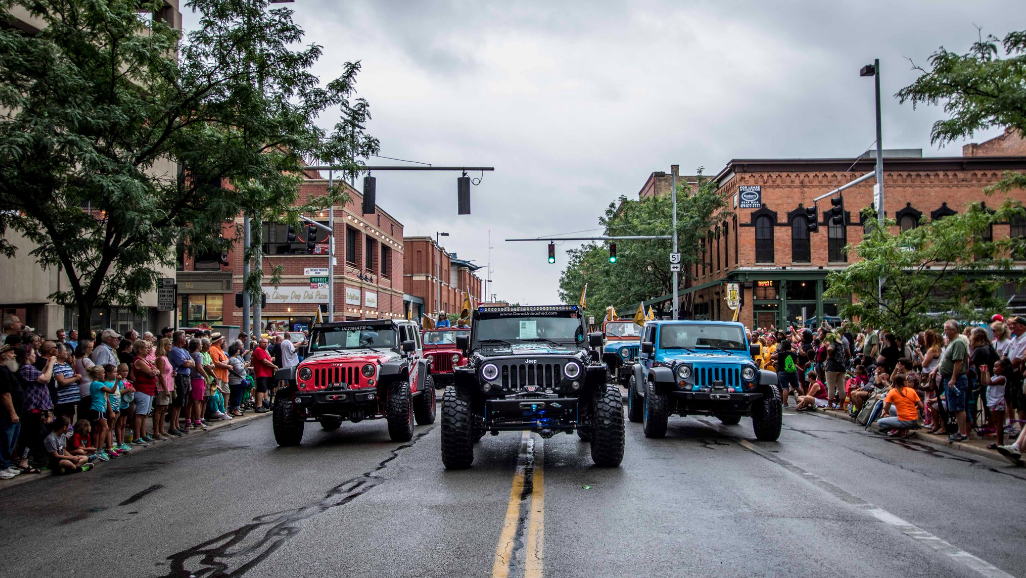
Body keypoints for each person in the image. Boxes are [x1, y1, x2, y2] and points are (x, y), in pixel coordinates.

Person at [16, 344, 54, 474]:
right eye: (33, 353)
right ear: (27, 356)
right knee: (30, 435)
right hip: (32, 408)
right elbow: (45, 378)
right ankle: (23, 461)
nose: (35, 355)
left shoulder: (30, 368)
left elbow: (41, 374)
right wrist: (52, 364)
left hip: (37, 407)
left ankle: (28, 459)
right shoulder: (26, 368)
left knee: (38, 434)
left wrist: (47, 364)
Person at [935, 319, 970, 442]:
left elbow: (958, 362)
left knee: (959, 406)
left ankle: (963, 433)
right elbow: (946, 360)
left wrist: (954, 378)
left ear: (954, 330)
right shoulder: (951, 342)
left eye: (946, 329)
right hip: (947, 377)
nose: (945, 332)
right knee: (953, 406)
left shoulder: (959, 343)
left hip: (956, 379)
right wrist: (935, 370)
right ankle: (959, 431)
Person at [0, 344, 23, 479]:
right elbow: (5, 394)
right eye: (11, 353)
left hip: (15, 413)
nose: (14, 355)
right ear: (3, 355)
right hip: (6, 414)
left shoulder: (7, 371)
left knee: (10, 442)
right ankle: (2, 466)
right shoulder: (1, 372)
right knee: (4, 441)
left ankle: (6, 465)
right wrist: (12, 412)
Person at [167, 331, 195, 436]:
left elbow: (192, 362)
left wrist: (189, 362)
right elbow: (184, 363)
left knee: (182, 402)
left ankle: (177, 424)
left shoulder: (184, 350)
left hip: (186, 377)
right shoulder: (175, 350)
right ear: (179, 339)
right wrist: (188, 362)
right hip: (179, 377)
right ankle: (172, 426)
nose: (186, 340)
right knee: (177, 402)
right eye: (184, 337)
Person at [87, 365, 117, 460]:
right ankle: (99, 450)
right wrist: (117, 381)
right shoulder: (98, 384)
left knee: (97, 429)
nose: (104, 374)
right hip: (99, 408)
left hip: (96, 408)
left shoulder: (93, 384)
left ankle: (95, 449)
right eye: (103, 373)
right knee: (105, 428)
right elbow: (112, 391)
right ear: (97, 374)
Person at [132, 339, 158, 445]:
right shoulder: (139, 361)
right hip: (143, 389)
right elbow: (151, 372)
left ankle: (143, 434)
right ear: (139, 349)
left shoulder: (145, 360)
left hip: (149, 389)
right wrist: (154, 371)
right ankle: (137, 436)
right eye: (146, 348)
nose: (148, 350)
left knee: (145, 414)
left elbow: (156, 370)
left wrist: (155, 371)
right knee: (140, 414)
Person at [981, 360, 1007, 448]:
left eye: (996, 367)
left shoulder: (1002, 378)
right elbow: (984, 382)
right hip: (992, 403)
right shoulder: (993, 377)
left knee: (999, 423)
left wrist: (987, 371)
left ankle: (1000, 443)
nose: (994, 368)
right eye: (994, 366)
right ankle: (998, 442)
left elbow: (989, 383)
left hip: (998, 402)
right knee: (996, 423)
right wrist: (983, 373)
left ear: (1003, 368)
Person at [52, 343, 81, 421]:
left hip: (70, 400)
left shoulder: (66, 364)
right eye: (65, 351)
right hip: (63, 400)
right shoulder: (56, 365)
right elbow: (62, 381)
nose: (67, 353)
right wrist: (75, 378)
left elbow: (70, 377)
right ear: (59, 353)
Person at [152, 338, 173, 440]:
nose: (170, 346)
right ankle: (156, 431)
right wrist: (165, 389)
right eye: (169, 344)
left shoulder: (165, 357)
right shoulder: (160, 358)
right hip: (162, 386)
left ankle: (161, 430)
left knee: (164, 409)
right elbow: (160, 375)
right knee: (159, 409)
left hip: (168, 384)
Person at [251, 337, 277, 413]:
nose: (266, 344)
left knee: (263, 389)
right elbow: (264, 361)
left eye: (267, 343)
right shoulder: (259, 350)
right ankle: (259, 406)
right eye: (264, 342)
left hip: (266, 373)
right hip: (261, 373)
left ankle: (260, 404)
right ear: (260, 343)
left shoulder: (264, 351)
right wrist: (274, 366)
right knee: (261, 389)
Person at [188, 338, 209, 430]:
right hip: (198, 379)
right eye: (200, 344)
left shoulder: (189, 354)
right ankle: (197, 421)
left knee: (189, 402)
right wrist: (206, 377)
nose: (201, 346)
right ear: (197, 346)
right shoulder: (198, 355)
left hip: (190, 378)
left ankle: (188, 421)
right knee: (197, 401)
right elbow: (199, 368)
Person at [775, 340, 801, 408]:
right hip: (793, 372)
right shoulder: (795, 354)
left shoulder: (780, 354)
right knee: (797, 386)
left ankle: (785, 403)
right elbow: (797, 363)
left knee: (785, 388)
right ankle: (803, 398)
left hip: (782, 371)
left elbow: (772, 357)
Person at [823, 335, 846, 410]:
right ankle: (841, 405)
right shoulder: (841, 345)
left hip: (832, 367)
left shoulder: (833, 344)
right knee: (841, 387)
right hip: (841, 367)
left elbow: (830, 349)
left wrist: (830, 356)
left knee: (831, 387)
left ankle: (830, 405)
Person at [226, 342, 247, 417]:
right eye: (238, 350)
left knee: (236, 395)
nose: (239, 351)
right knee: (237, 395)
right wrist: (245, 365)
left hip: (236, 380)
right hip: (236, 381)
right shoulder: (233, 360)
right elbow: (239, 370)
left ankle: (235, 408)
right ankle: (235, 409)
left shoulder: (231, 359)